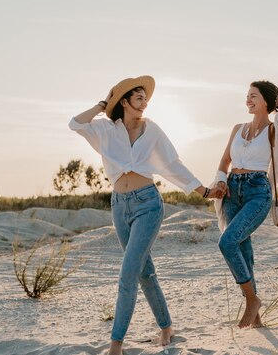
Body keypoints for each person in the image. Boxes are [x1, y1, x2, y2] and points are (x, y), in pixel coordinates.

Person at [69, 75, 219, 355]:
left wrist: (203, 191)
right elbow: (75, 123)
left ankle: (116, 345)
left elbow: (173, 164)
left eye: (145, 97)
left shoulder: (153, 131)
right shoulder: (105, 130)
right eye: (138, 97)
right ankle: (166, 327)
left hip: (148, 204)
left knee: (128, 274)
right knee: (145, 272)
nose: (144, 102)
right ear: (124, 101)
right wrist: (103, 105)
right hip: (119, 205)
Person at [213, 80, 278, 328]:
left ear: (266, 101)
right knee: (244, 252)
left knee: (227, 242)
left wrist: (276, 99)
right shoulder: (237, 128)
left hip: (257, 192)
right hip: (231, 191)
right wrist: (220, 182)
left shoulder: (275, 130)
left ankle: (252, 300)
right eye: (247, 96)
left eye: (253, 95)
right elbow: (224, 162)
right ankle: (257, 319)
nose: (248, 100)